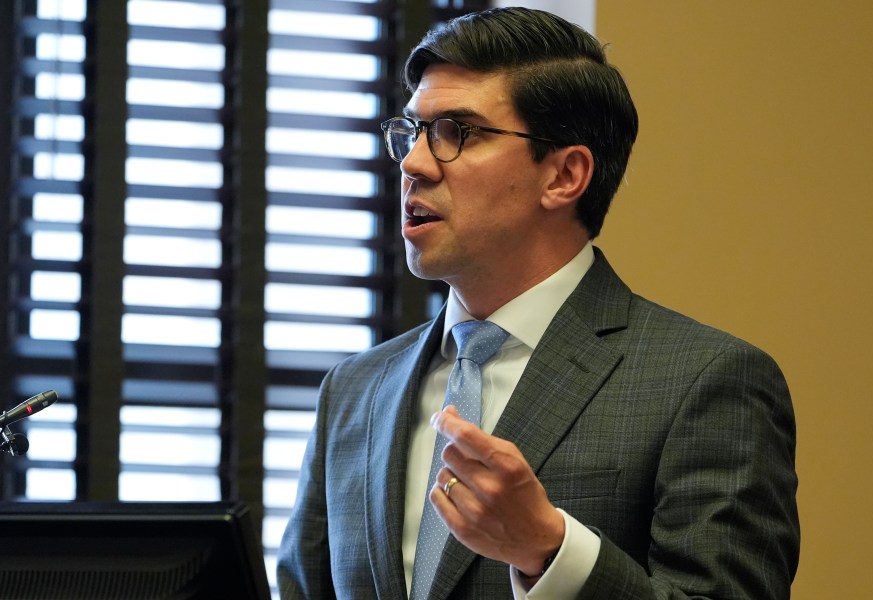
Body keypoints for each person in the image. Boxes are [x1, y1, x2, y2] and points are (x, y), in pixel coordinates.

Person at [277, 7, 799, 600]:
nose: (414, 164)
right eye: (413, 132)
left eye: (458, 132)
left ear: (564, 176)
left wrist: (550, 551)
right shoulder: (354, 389)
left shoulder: (706, 382)